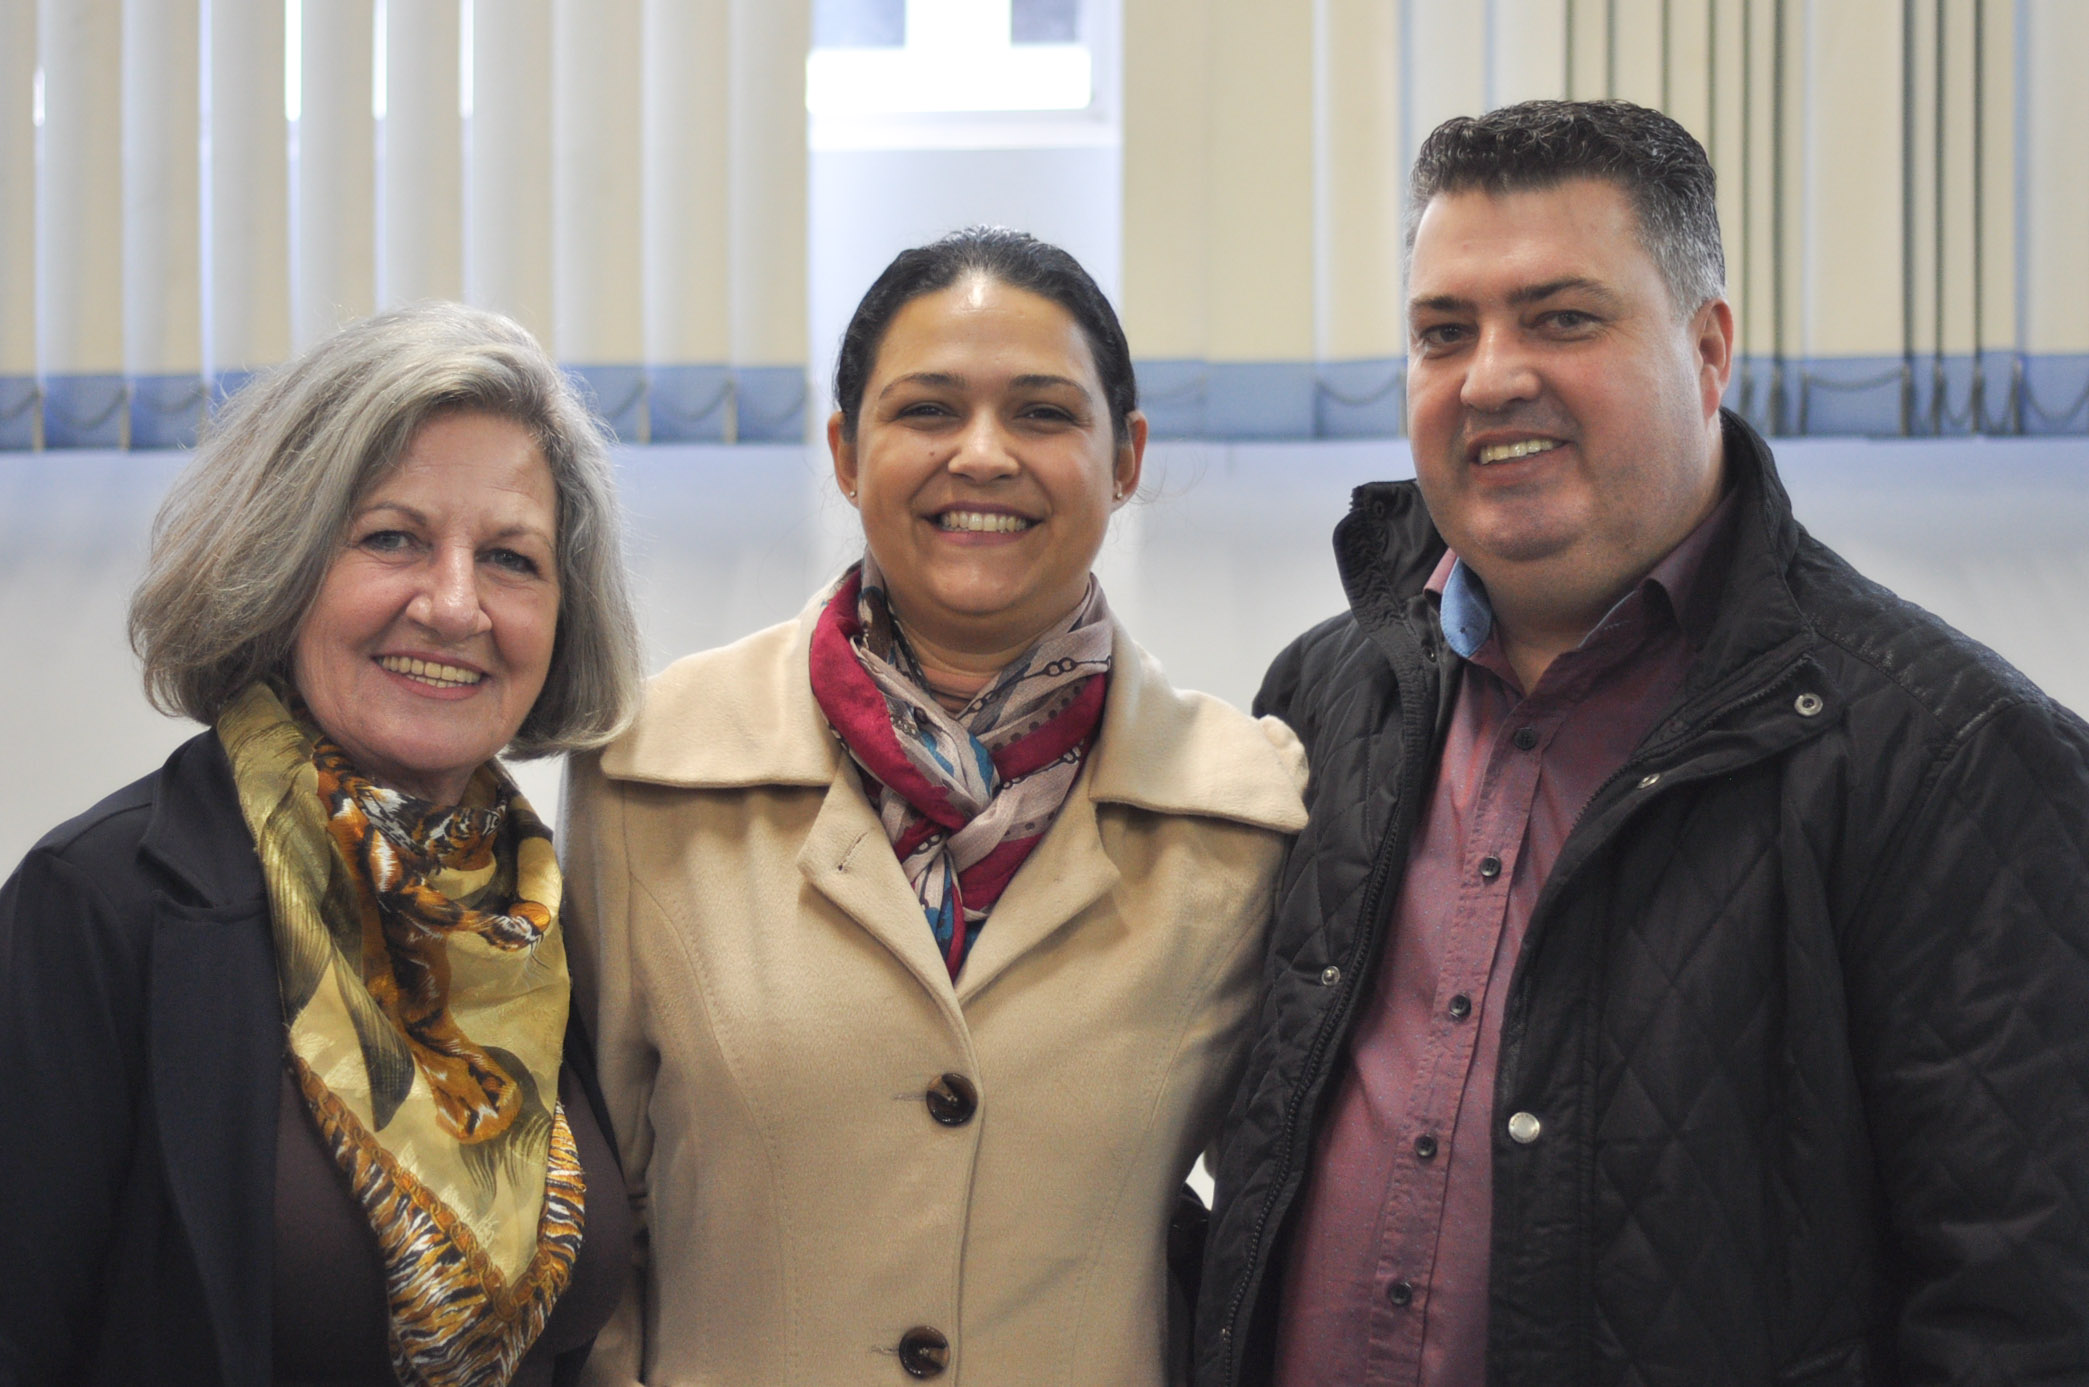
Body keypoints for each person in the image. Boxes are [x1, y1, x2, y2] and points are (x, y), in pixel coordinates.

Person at [1196, 99, 2089, 1387]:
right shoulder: (1330, 696)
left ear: (1707, 348)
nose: (1489, 377)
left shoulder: (1952, 758)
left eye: (1562, 318)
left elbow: (2028, 1306)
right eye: (1443, 331)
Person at [562, 226, 1308, 1385]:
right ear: (846, 453)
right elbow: (588, 1211)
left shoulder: (1245, 810)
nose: (984, 454)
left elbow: (1282, 1223)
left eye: (1043, 413)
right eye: (926, 411)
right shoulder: (648, 768)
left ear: (1125, 457)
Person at [0, 302, 646, 1387]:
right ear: (284, 563)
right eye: (392, 538)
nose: (455, 605)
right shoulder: (99, 905)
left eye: (510, 558)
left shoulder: (532, 915)